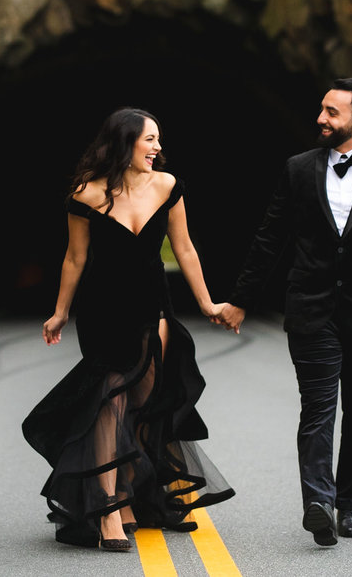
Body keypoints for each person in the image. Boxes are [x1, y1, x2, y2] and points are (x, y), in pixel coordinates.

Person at [218, 78, 352, 546]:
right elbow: (270, 237)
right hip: (311, 307)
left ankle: (349, 505)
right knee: (318, 408)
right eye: (321, 109)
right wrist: (241, 299)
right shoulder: (298, 169)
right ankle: (318, 501)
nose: (320, 118)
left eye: (331, 112)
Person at [22, 107, 235, 552]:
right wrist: (60, 311)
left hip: (153, 305)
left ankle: (134, 495)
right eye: (150, 139)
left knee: (143, 401)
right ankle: (107, 511)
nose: (158, 148)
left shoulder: (168, 185)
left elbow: (185, 249)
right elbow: (75, 258)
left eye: (158, 140)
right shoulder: (86, 193)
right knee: (110, 401)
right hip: (104, 309)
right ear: (125, 142)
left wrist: (206, 303)